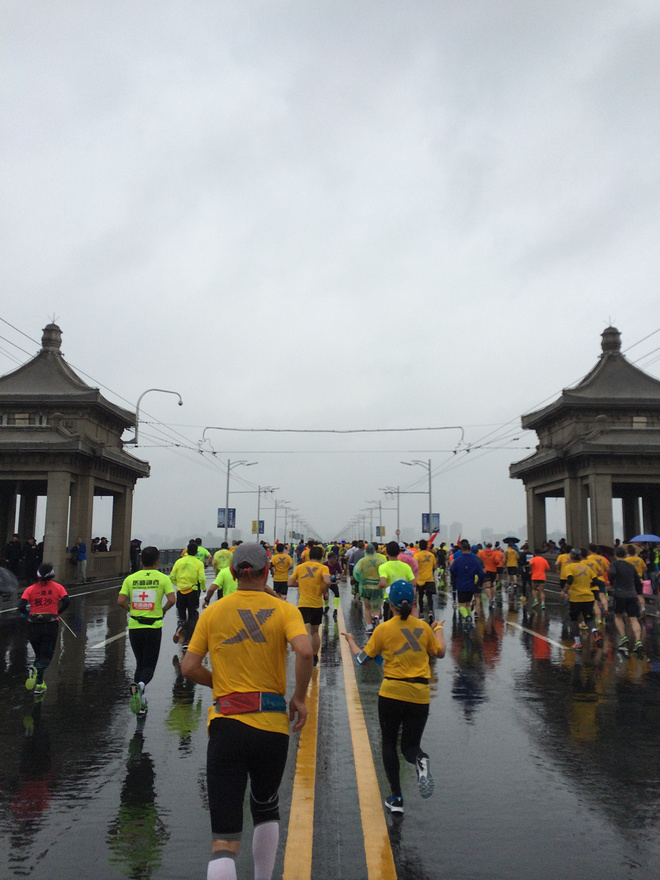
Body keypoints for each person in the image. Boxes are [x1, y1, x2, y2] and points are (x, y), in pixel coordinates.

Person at [181, 543, 313, 880]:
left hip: (227, 725)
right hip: (272, 727)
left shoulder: (213, 612)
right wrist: (298, 697)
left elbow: (189, 667)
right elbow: (305, 651)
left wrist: (222, 684)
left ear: (234, 571)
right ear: (266, 571)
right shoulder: (284, 610)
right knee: (266, 808)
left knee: (224, 839)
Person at [342, 579, 446, 815]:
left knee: (388, 744)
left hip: (391, 693)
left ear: (391, 603)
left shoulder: (384, 629)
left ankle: (396, 798)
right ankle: (420, 760)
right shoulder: (423, 628)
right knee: (410, 747)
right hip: (419, 695)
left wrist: (350, 641)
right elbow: (440, 652)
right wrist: (438, 629)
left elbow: (363, 661)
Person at [117, 546, 175, 715]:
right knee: (149, 666)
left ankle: (141, 702)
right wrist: (162, 610)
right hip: (153, 627)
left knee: (140, 663)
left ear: (141, 560)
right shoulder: (163, 578)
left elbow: (120, 601)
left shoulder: (131, 578)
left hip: (135, 627)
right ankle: (141, 686)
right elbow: (172, 599)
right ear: (157, 561)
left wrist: (131, 610)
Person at [18, 562, 70, 696]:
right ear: (52, 574)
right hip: (50, 624)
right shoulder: (58, 587)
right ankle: (34, 669)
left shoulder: (30, 589)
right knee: (46, 656)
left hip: (32, 625)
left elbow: (21, 606)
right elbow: (66, 601)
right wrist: (58, 611)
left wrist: (25, 614)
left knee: (38, 654)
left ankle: (39, 684)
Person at [288, 545, 330, 667]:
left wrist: (300, 585)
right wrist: (324, 591)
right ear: (321, 557)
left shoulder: (300, 567)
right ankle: (314, 656)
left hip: (303, 604)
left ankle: (302, 655)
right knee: (315, 632)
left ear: (309, 555)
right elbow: (327, 581)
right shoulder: (323, 567)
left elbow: (290, 583)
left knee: (304, 631)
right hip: (317, 604)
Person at [560, 547, 603, 650]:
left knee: (574, 620)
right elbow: (596, 581)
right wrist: (587, 587)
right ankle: (595, 632)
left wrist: (565, 591)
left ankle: (578, 643)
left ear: (571, 557)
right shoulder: (587, 568)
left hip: (576, 599)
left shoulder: (569, 567)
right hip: (588, 598)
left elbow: (570, 579)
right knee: (589, 619)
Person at [170, 540, 207, 648]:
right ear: (196, 552)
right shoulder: (198, 563)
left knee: (181, 616)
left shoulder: (179, 561)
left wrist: (179, 584)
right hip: (193, 591)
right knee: (192, 616)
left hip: (180, 591)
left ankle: (179, 630)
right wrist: (203, 588)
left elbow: (172, 576)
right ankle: (187, 641)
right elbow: (201, 578)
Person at [609, 546, 644, 656]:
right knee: (634, 618)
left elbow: (613, 573)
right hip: (632, 594)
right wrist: (637, 592)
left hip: (620, 593)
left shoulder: (614, 564)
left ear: (615, 555)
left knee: (618, 616)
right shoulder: (630, 566)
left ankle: (624, 638)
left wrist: (612, 582)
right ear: (625, 555)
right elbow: (638, 581)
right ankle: (638, 640)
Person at [449, 540, 484, 627]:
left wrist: (457, 575)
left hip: (460, 585)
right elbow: (481, 573)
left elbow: (452, 570)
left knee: (461, 605)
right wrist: (480, 584)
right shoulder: (474, 560)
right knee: (468, 603)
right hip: (471, 585)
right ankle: (469, 620)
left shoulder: (458, 560)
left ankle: (467, 617)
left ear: (462, 549)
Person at [379, 541, 416, 622]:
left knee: (389, 626)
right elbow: (413, 583)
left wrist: (378, 587)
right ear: (398, 552)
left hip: (390, 601)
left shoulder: (383, 567)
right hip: (404, 601)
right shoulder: (406, 566)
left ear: (387, 552)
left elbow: (383, 583)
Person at [353, 543, 387, 631]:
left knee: (367, 607)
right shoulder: (380, 561)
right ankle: (376, 616)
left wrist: (361, 579)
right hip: (377, 587)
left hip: (366, 587)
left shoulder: (362, 561)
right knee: (377, 605)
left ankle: (369, 626)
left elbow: (356, 571)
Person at [415, 539, 437, 622]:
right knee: (429, 597)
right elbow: (435, 567)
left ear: (419, 546)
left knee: (420, 597)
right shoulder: (431, 555)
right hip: (429, 578)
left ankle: (421, 613)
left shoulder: (417, 555)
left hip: (420, 579)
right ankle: (430, 611)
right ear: (427, 546)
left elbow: (415, 565)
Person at [323, 551, 343, 620]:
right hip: (326, 582)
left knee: (336, 594)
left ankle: (335, 609)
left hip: (333, 582)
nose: (335, 560)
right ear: (329, 559)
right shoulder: (324, 565)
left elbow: (340, 572)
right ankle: (326, 606)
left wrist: (339, 579)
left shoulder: (336, 564)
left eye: (335, 558)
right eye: (333, 558)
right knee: (325, 595)